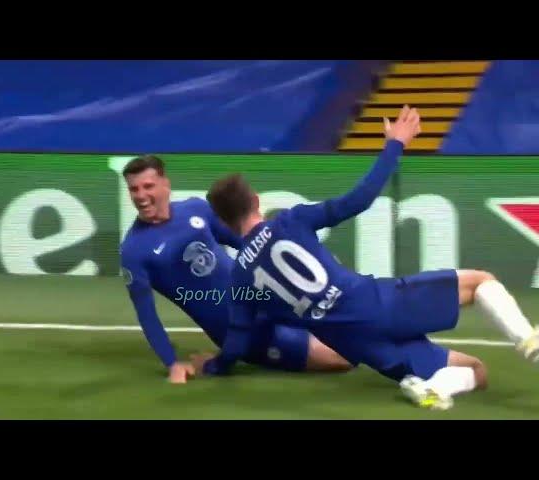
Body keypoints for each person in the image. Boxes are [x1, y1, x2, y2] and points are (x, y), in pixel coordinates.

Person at [194, 105, 539, 410]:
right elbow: (358, 200)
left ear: (223, 220)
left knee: (475, 372)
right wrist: (395, 144)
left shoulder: (240, 275)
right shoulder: (290, 220)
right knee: (481, 281)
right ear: (255, 200)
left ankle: (432, 388)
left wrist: (214, 365)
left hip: (358, 344)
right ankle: (530, 343)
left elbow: (237, 336)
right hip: (377, 304)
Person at [120, 155, 352, 384]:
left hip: (271, 300)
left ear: (165, 184)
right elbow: (147, 314)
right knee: (342, 358)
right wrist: (172, 363)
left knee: (352, 328)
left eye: (147, 186)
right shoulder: (134, 250)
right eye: (134, 189)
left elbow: (247, 242)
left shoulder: (195, 208)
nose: (141, 196)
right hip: (243, 332)